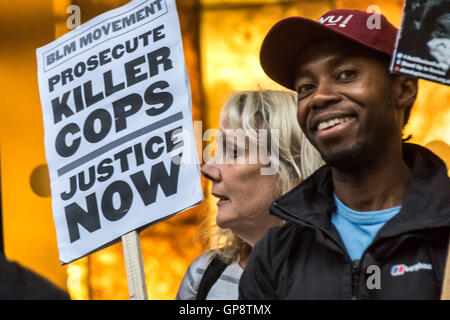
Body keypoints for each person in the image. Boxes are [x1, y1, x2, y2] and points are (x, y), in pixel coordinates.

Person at [239, 9, 450, 299]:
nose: (320, 96)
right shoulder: (277, 253)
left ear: (404, 89)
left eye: (346, 74)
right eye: (306, 87)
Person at [176, 90, 324, 300]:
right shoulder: (204, 277)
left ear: (293, 171)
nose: (207, 168)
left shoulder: (347, 280)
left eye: (233, 152)